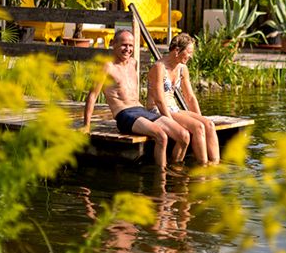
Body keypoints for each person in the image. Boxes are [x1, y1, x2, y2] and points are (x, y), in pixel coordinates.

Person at [84, 29, 189, 167]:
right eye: (124, 45)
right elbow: (92, 96)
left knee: (184, 136)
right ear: (113, 44)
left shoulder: (133, 63)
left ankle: (175, 170)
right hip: (124, 114)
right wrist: (87, 125)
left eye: (131, 45)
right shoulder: (107, 67)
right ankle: (161, 178)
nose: (128, 49)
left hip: (141, 110)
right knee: (161, 136)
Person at [147, 33, 220, 165]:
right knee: (198, 127)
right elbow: (158, 99)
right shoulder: (159, 67)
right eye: (189, 52)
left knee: (208, 124)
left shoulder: (182, 68)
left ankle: (215, 164)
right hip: (157, 110)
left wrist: (200, 117)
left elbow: (190, 97)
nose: (191, 56)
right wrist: (169, 121)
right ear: (176, 50)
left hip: (174, 109)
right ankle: (202, 167)